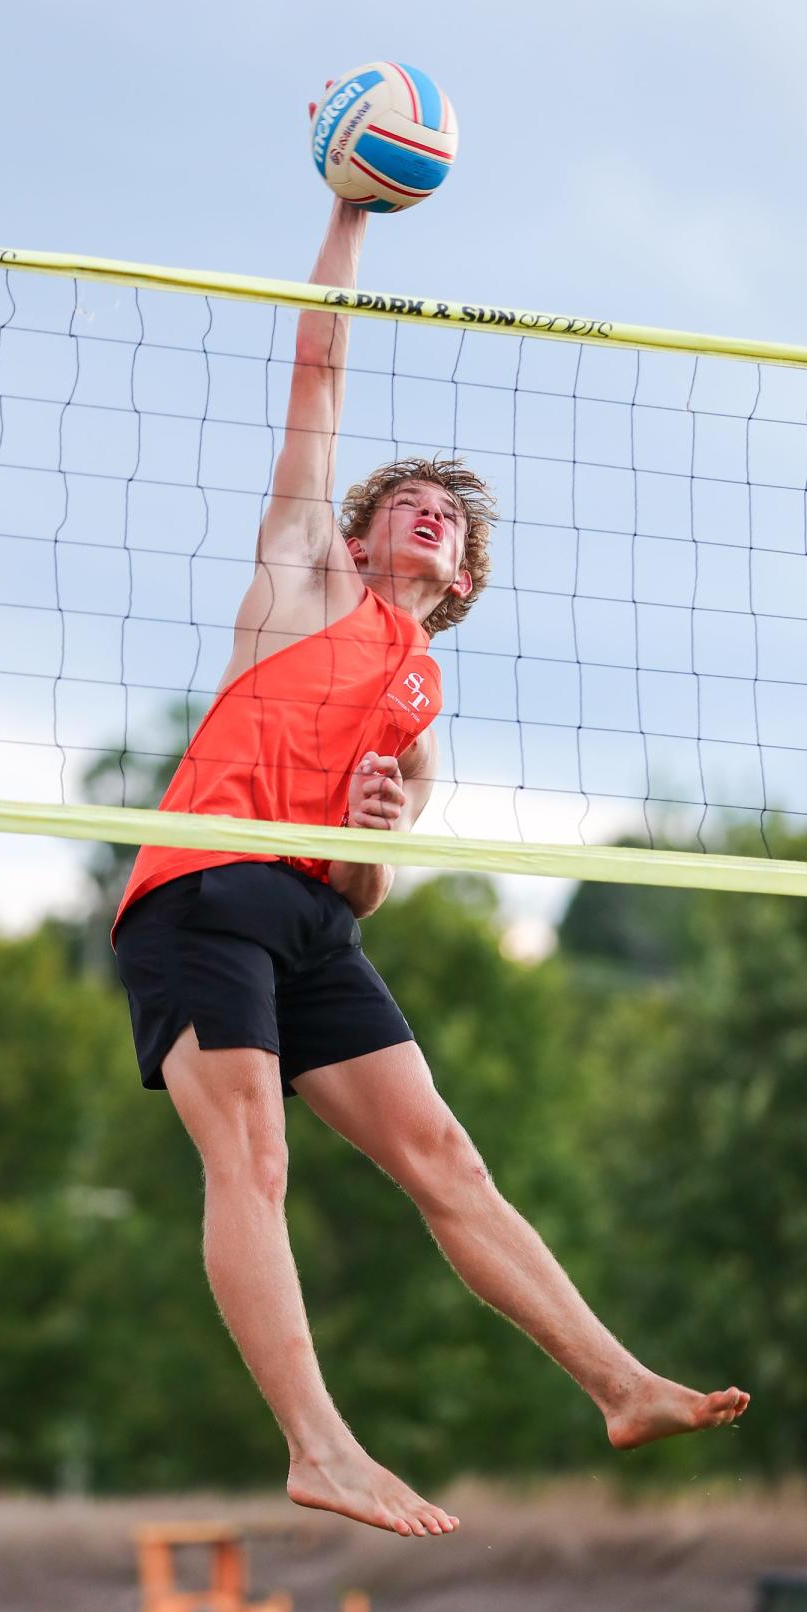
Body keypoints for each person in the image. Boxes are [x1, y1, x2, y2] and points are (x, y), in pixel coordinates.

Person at [112, 199, 749, 1539]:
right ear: (356, 535)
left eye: (452, 520)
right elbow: (320, 366)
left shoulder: (420, 700)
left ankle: (620, 1384)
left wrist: (381, 834)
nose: (431, 512)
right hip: (198, 892)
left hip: (307, 917)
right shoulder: (303, 579)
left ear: (458, 584)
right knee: (257, 1158)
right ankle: (322, 1447)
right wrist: (348, 213)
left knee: (450, 1156)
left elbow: (362, 892)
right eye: (409, 500)